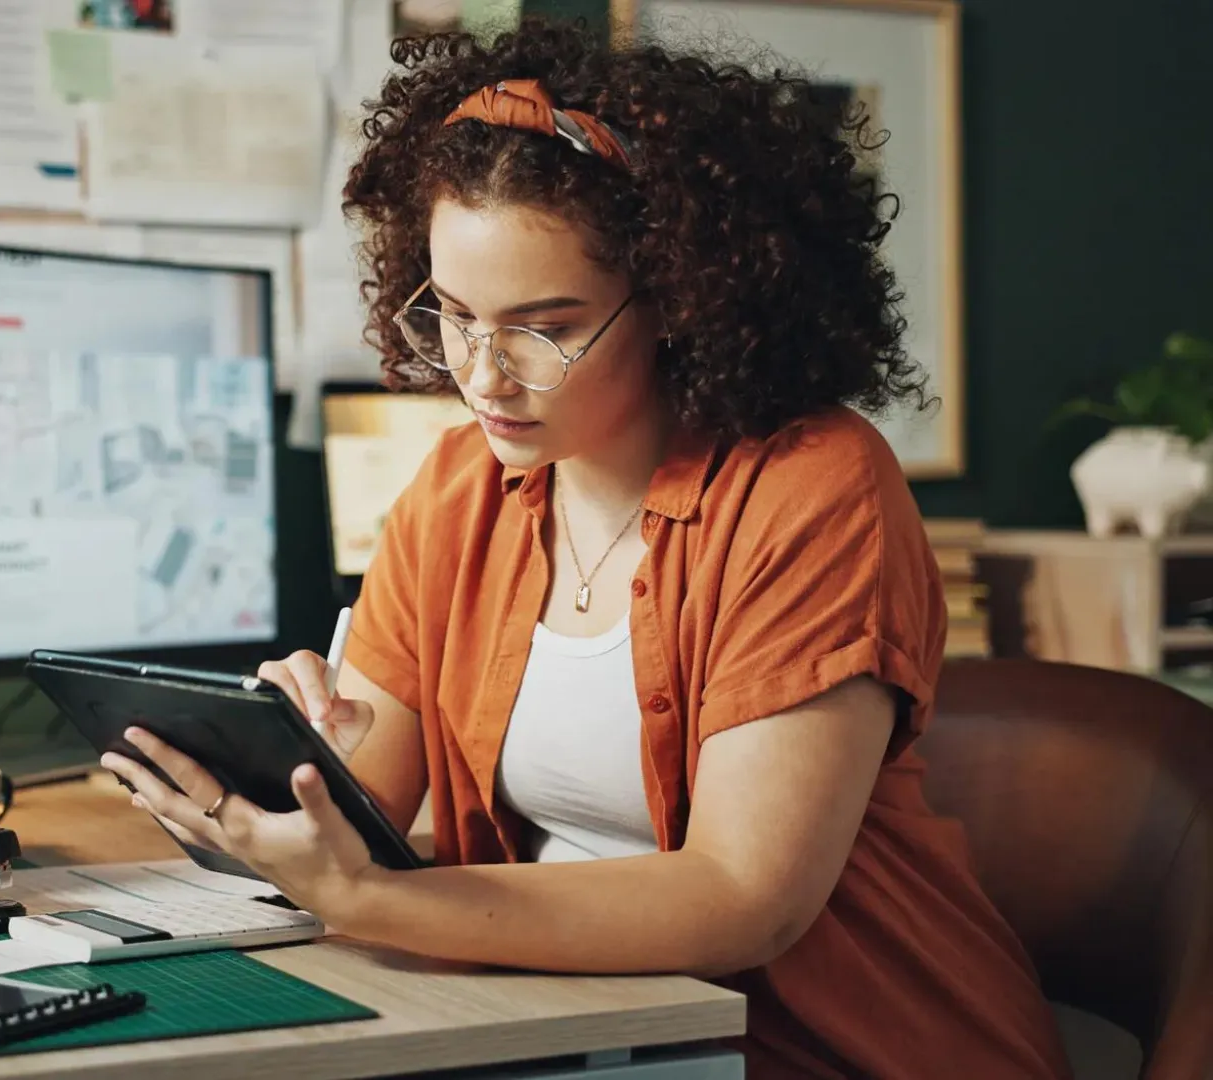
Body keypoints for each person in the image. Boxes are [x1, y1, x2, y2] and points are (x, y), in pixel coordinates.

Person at [99, 19, 1072, 1079]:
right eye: (455, 315)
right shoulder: (456, 491)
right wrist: (289, 765)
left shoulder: (813, 485)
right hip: (589, 1041)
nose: (484, 375)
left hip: (830, 1051)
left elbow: (745, 900)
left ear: (678, 301)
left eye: (543, 327)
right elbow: (354, 823)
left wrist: (374, 897)